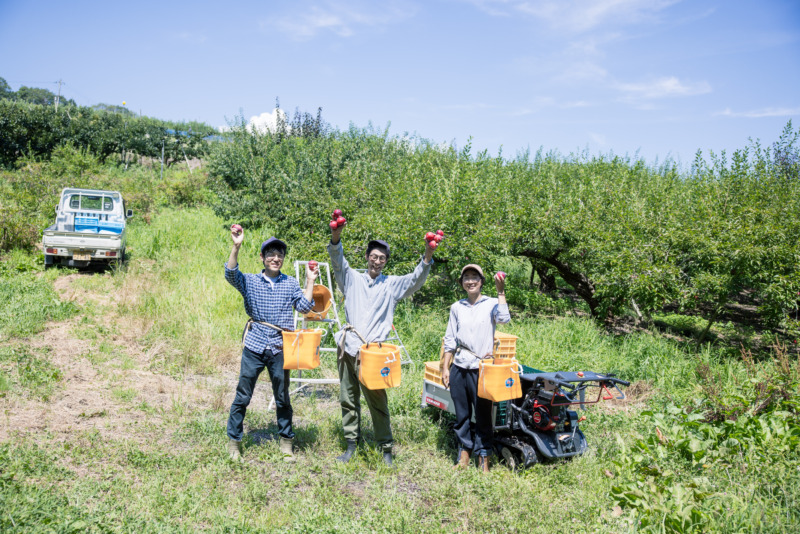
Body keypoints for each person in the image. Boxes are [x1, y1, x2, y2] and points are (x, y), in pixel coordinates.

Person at [327, 222, 435, 466]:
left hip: (374, 355)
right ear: (366, 257)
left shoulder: (391, 284)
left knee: (378, 402)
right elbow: (337, 260)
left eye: (382, 258)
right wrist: (336, 235)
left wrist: (428, 254)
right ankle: (351, 445)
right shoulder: (351, 278)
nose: (377, 261)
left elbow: (416, 279)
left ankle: (386, 448)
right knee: (348, 398)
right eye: (374, 256)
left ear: (386, 262)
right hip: (348, 347)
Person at [224, 226, 318, 463]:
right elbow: (230, 274)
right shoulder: (251, 281)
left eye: (280, 255)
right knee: (243, 395)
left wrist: (309, 281)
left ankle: (286, 443)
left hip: (280, 347)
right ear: (262, 258)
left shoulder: (289, 283)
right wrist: (236, 246)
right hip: (254, 345)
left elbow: (305, 307)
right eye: (271, 254)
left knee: (282, 397)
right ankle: (234, 442)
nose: (276, 258)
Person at [441, 264, 509, 473]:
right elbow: (450, 339)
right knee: (461, 413)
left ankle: (483, 456)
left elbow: (504, 319)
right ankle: (464, 453)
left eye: (474, 277)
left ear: (481, 281)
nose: (470, 281)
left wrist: (501, 292)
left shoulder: (491, 304)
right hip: (459, 367)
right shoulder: (457, 307)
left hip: (482, 368)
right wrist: (446, 367)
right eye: (466, 278)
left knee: (482, 415)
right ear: (462, 283)